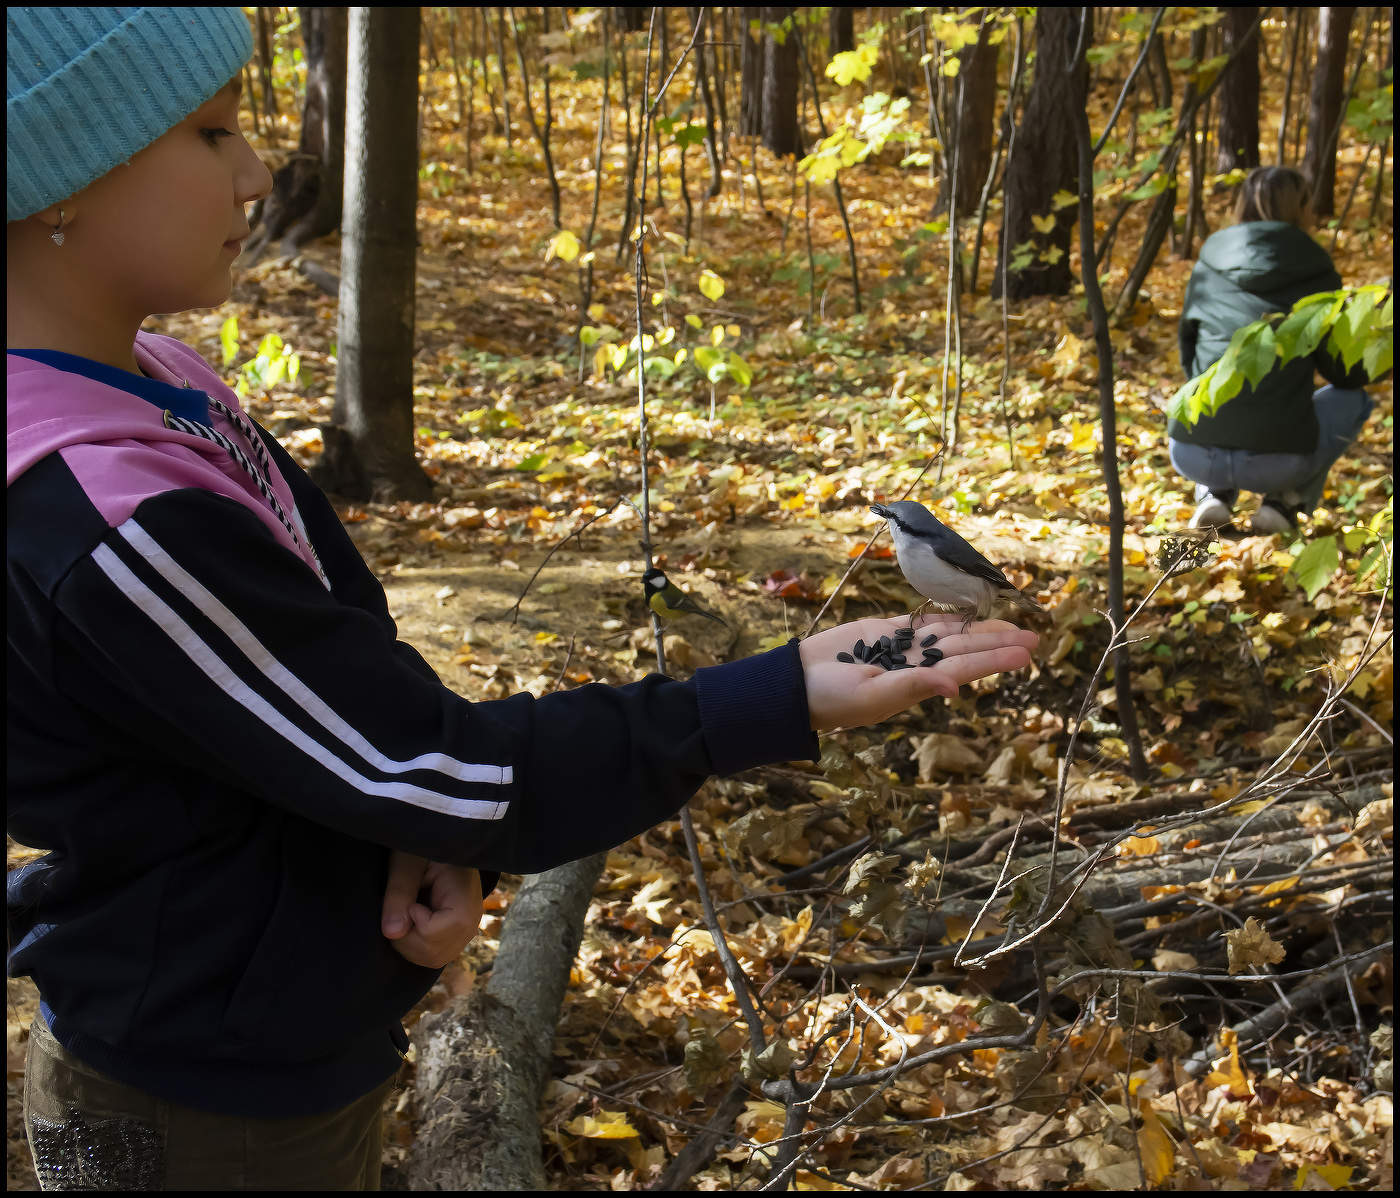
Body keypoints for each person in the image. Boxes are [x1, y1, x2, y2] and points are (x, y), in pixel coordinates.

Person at [5, 9, 1039, 1190]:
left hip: (280, 1041)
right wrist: (766, 696)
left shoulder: (159, 383)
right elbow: (410, 751)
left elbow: (337, 665)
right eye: (209, 134)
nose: (256, 171)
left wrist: (408, 828)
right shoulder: (101, 510)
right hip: (193, 1100)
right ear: (60, 179)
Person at [1170, 165, 1373, 534]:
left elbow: (1190, 356)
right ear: (1302, 209)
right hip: (1280, 461)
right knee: (1355, 399)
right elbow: (1342, 374)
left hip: (1191, 452)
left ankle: (1212, 493)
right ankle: (1282, 504)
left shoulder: (1208, 263)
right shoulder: (1318, 272)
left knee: (1213, 395)